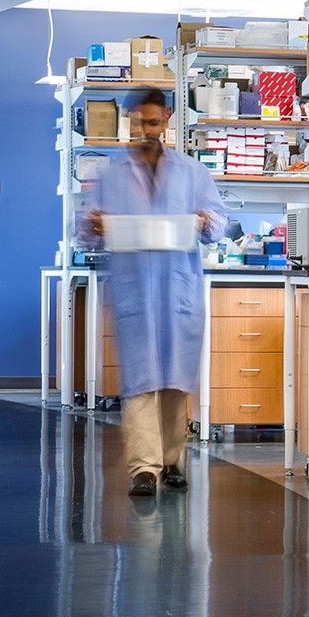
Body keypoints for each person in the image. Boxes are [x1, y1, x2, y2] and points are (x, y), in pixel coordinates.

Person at [80, 91, 227, 498]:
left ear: (166, 121)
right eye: (138, 123)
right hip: (134, 290)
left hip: (179, 287)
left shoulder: (192, 172)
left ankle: (173, 461)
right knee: (142, 380)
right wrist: (92, 225)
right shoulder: (112, 175)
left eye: (153, 123)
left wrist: (204, 220)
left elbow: (218, 223)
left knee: (176, 380)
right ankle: (144, 468)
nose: (145, 131)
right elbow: (87, 230)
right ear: (129, 121)